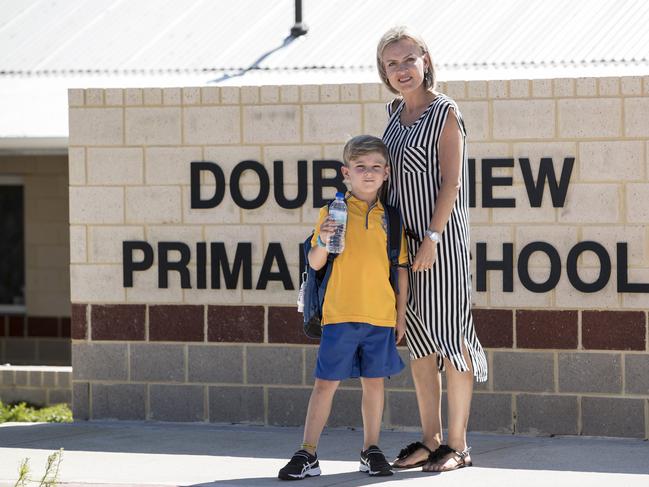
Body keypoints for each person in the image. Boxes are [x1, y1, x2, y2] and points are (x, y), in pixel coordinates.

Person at [376, 26, 489, 472]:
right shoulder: (391, 113)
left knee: (453, 340)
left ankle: (458, 445)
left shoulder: (445, 112)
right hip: (403, 246)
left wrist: (433, 239)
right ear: (383, 72)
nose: (401, 70)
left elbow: (451, 182)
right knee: (420, 344)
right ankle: (430, 438)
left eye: (408, 60)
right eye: (392, 64)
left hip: (440, 243)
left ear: (425, 59)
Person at [278, 135, 409, 481]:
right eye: (360, 167)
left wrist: (401, 314)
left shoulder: (391, 219)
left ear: (386, 174)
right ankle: (308, 452)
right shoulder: (332, 210)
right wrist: (323, 237)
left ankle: (371, 449)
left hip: (379, 315)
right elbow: (316, 261)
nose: (368, 173)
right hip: (339, 314)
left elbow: (400, 270)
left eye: (375, 168)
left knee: (374, 383)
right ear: (346, 173)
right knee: (325, 384)